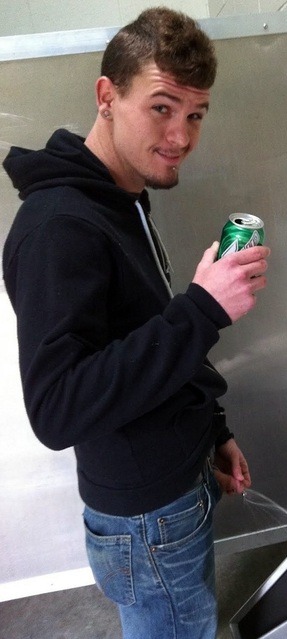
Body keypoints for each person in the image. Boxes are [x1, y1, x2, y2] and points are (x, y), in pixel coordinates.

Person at [2, 7, 270, 639]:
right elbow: (57, 409)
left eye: (195, 114)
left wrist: (211, 430)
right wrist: (204, 308)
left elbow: (145, 329)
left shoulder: (124, 198)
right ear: (107, 97)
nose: (181, 136)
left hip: (174, 484)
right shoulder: (58, 228)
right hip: (147, 518)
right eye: (161, 107)